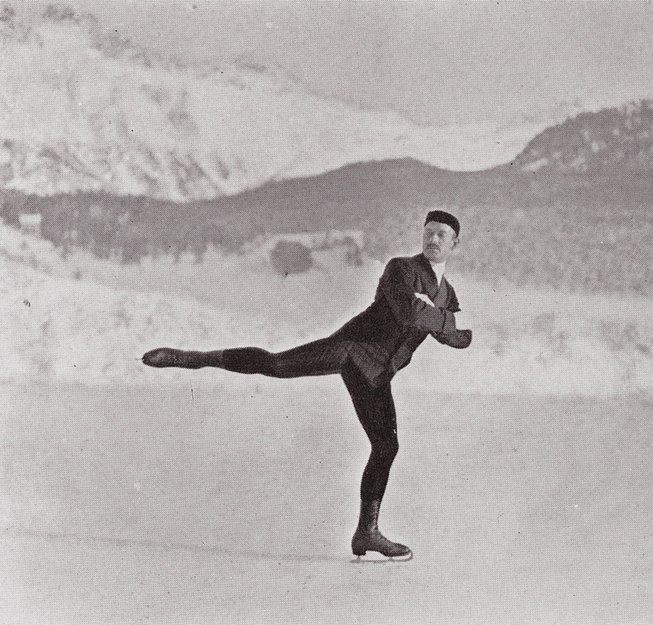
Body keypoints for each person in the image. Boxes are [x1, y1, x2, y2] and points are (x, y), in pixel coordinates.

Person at [142, 210, 472, 560]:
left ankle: (367, 533)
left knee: (386, 446)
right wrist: (443, 321)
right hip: (350, 349)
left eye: (441, 235)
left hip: (377, 374)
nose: (433, 239)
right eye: (429, 232)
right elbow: (411, 314)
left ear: (454, 243)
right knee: (277, 364)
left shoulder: (446, 293)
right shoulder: (401, 269)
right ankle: (195, 358)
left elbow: (453, 336)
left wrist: (449, 326)